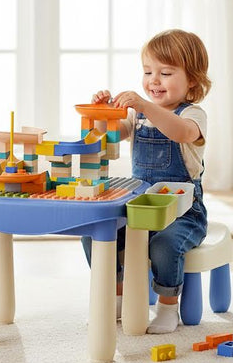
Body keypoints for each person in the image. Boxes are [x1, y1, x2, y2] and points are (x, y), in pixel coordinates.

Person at [81, 29, 212, 334]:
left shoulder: (193, 115)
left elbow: (180, 132)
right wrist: (103, 113)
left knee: (164, 245)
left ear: (192, 80)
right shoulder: (137, 117)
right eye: (148, 72)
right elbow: (109, 137)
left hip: (182, 213)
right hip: (138, 207)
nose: (154, 80)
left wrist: (144, 105)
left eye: (165, 73)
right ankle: (116, 296)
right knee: (94, 232)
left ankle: (167, 307)